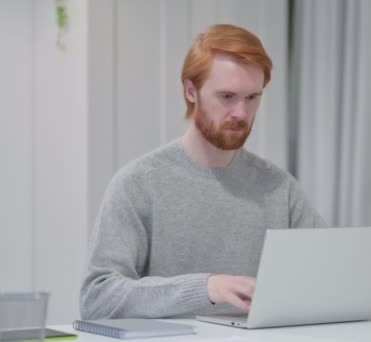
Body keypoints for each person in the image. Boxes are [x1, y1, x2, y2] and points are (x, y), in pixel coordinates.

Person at [80, 24, 325, 320]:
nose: (241, 114)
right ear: (190, 90)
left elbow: (326, 277)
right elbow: (97, 298)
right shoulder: (138, 183)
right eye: (227, 97)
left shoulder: (279, 188)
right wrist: (206, 288)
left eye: (252, 98)